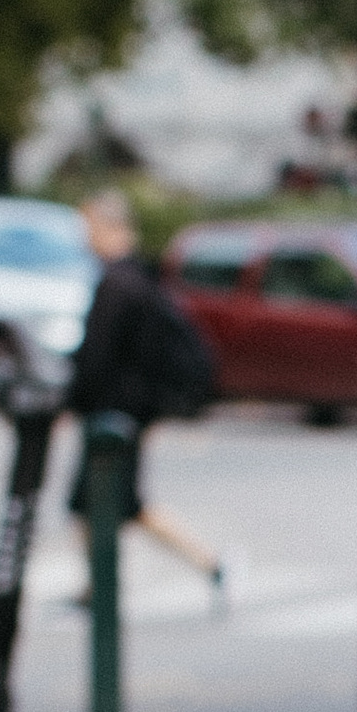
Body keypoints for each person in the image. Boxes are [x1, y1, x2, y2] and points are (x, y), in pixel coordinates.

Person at [70, 190, 225, 589]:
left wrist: (73, 400)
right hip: (132, 411)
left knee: (115, 504)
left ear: (109, 228)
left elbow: (97, 355)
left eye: (88, 228)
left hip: (114, 415)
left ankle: (210, 564)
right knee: (103, 504)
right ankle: (98, 586)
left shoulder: (118, 284)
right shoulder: (141, 278)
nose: (85, 238)